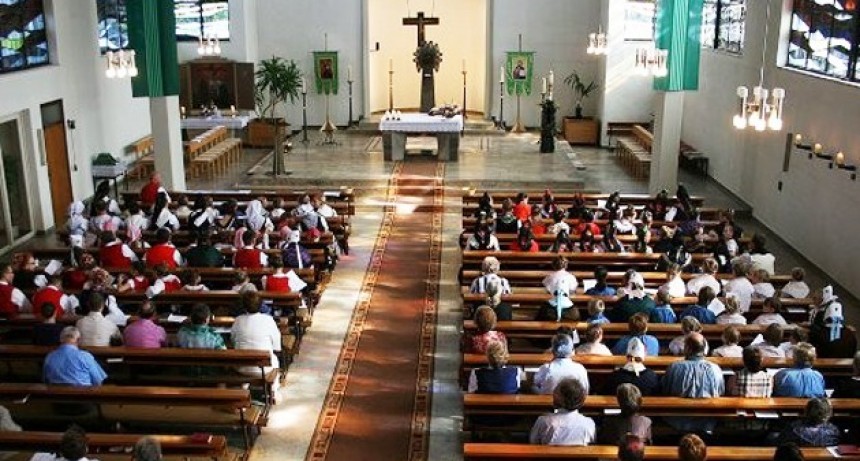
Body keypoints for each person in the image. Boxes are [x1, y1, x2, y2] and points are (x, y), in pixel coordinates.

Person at [231, 292, 282, 395]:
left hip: (242, 367)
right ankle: (274, 390)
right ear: (261, 305)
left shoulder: (238, 320)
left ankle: (244, 386)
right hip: (264, 369)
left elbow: (233, 341)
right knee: (275, 360)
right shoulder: (268, 320)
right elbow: (277, 346)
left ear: (244, 306)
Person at [529, 378, 595, 446]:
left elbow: (533, 442)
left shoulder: (544, 421)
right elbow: (591, 444)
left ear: (558, 398)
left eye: (555, 392)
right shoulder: (589, 424)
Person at [663, 333, 724, 397]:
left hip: (677, 403)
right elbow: (720, 392)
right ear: (704, 349)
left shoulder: (674, 368)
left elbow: (665, 390)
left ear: (687, 348)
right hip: (709, 403)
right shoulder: (715, 369)